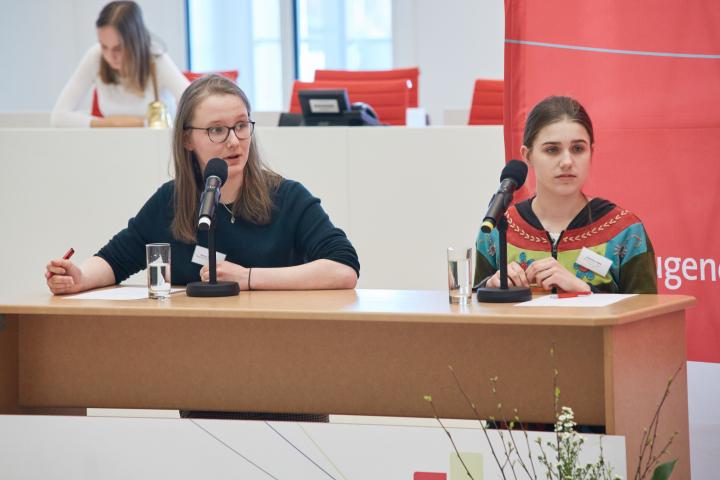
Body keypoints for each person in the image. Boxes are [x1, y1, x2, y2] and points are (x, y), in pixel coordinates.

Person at [474, 96, 657, 294]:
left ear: (591, 152)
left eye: (578, 149)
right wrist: (487, 289)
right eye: (552, 150)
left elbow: (649, 320)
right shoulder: (498, 229)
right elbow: (475, 319)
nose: (567, 161)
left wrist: (585, 292)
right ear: (528, 156)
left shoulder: (625, 231)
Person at [51, 1, 189, 127]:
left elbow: (195, 108)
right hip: (113, 145)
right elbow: (58, 117)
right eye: (104, 46)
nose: (110, 57)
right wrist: (112, 124)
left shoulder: (156, 59)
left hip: (154, 146)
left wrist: (116, 124)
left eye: (118, 48)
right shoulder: (95, 56)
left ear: (136, 43)